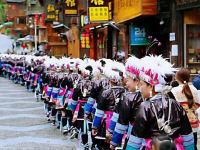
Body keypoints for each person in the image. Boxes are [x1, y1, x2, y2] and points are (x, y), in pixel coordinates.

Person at [126, 55, 194, 150]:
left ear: (151, 86)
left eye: (141, 84)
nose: (139, 88)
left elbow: (135, 141)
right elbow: (188, 137)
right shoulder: (175, 104)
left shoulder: (145, 106)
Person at [171, 68, 200, 150]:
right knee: (193, 145)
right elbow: (198, 104)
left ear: (177, 78)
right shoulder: (194, 89)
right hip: (192, 122)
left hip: (179, 123)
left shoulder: (174, 90)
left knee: (180, 145)